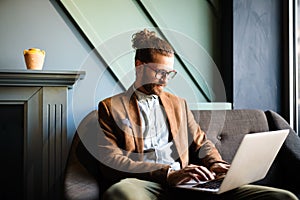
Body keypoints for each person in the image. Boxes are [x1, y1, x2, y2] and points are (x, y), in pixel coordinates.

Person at [97, 29, 298, 200]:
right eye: (159, 72)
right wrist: (168, 173)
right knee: (121, 193)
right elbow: (111, 160)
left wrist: (218, 165)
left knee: (283, 197)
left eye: (170, 73)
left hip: (189, 184)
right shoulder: (110, 108)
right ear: (139, 66)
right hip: (146, 182)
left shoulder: (179, 105)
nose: (165, 80)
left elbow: (201, 143)